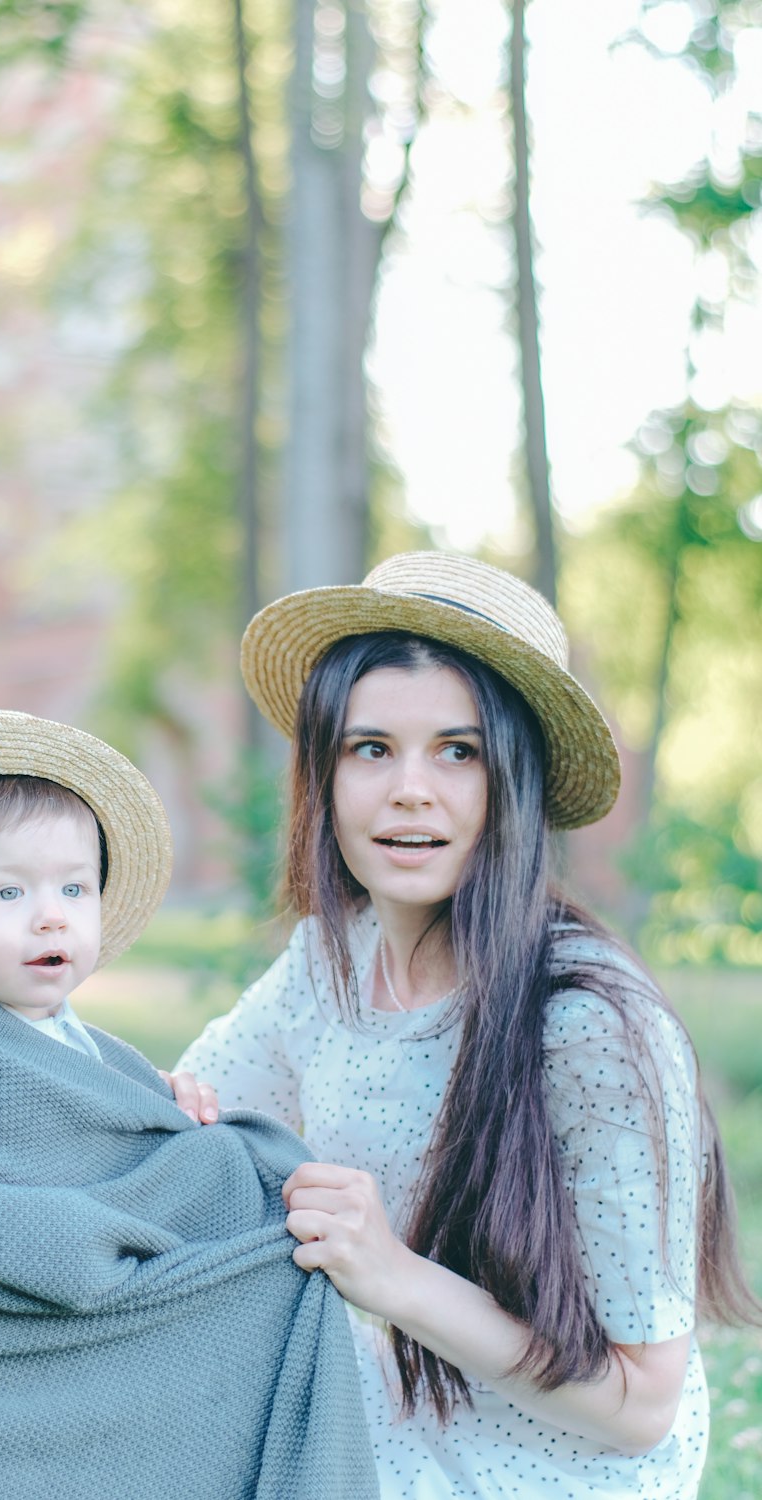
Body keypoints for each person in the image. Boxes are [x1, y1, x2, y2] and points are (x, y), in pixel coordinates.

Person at [174, 551, 757, 1499]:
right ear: (323, 776)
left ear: (513, 783)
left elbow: (642, 1402)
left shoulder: (592, 1027)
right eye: (371, 749)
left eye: (459, 750)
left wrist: (395, 1277)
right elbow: (191, 1122)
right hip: (391, 1412)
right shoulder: (330, 961)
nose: (411, 790)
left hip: (553, 1472)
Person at [0, 709, 378, 1500]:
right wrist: (83, 1241)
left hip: (65, 1359)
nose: (51, 913)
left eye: (73, 887)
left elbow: (133, 1162)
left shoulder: (104, 1058)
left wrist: (188, 1141)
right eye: (8, 891)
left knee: (281, 1269)